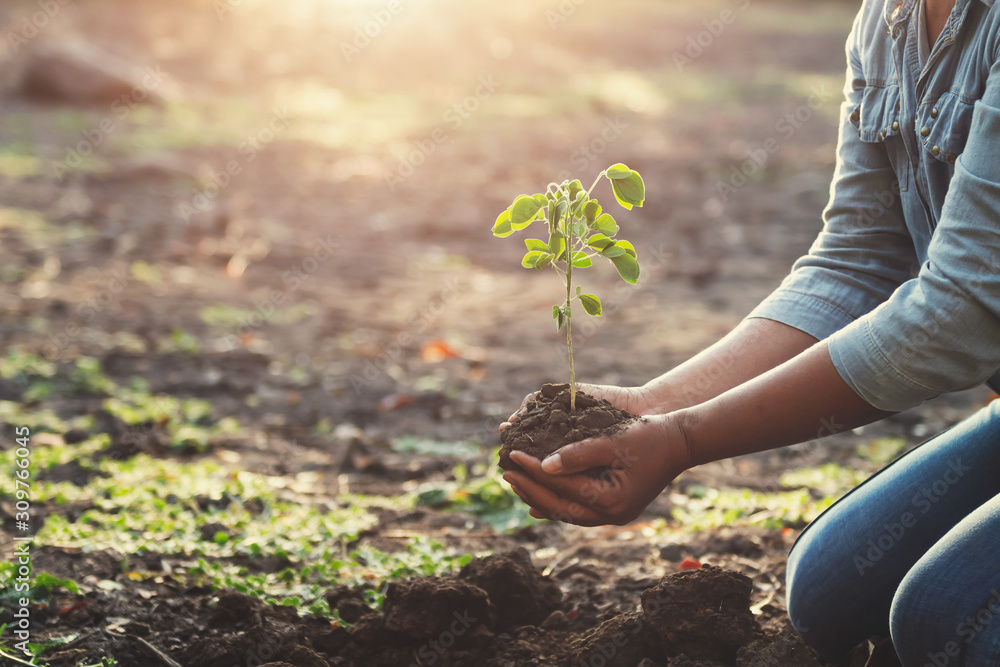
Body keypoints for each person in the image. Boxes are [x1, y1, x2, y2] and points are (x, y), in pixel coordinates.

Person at [499, 0, 1000, 663]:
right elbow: (858, 260)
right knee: (829, 590)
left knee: (942, 617)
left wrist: (681, 440)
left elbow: (965, 307)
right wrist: (652, 406)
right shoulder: (888, 21)